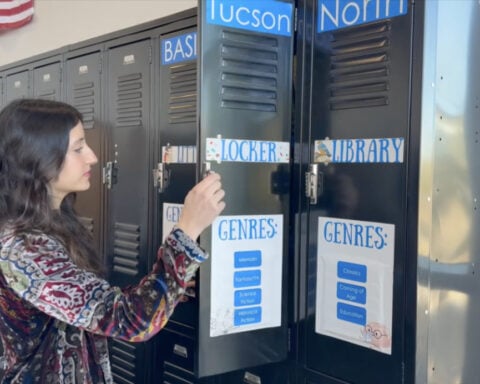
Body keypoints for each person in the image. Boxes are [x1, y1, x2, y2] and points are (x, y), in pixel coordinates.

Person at [0, 98, 225, 383]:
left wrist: (169, 287)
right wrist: (187, 230)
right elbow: (130, 322)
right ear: (38, 158)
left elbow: (95, 302)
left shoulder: (51, 224)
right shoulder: (23, 249)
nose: (93, 157)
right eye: (78, 148)